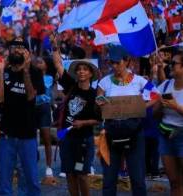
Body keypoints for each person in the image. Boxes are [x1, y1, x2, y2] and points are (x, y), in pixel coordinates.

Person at [97, 46, 157, 196]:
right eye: (112, 63)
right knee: (109, 180)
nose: (115, 66)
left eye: (118, 63)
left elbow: (156, 95)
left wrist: (140, 107)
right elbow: (98, 100)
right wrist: (100, 102)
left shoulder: (139, 81)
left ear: (127, 61)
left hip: (134, 132)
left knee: (137, 179)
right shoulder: (104, 82)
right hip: (111, 132)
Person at [0, 37, 44, 196]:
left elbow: (30, 97)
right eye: (14, 47)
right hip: (6, 134)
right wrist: (1, 72)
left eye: (21, 48)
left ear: (27, 53)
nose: (16, 50)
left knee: (31, 180)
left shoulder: (35, 72)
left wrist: (27, 71)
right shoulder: (5, 71)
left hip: (27, 135)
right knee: (3, 180)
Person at [51, 35, 100, 196]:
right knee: (70, 175)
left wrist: (84, 123)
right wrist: (54, 46)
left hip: (84, 140)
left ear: (91, 73)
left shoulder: (95, 94)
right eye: (79, 69)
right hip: (67, 138)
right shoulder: (71, 86)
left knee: (82, 175)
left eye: (85, 69)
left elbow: (99, 119)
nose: (81, 72)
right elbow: (58, 64)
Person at [154, 53, 183, 196]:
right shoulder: (165, 85)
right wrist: (160, 106)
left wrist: (176, 106)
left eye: (174, 63)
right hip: (166, 135)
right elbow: (154, 114)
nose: (170, 66)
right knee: (173, 181)